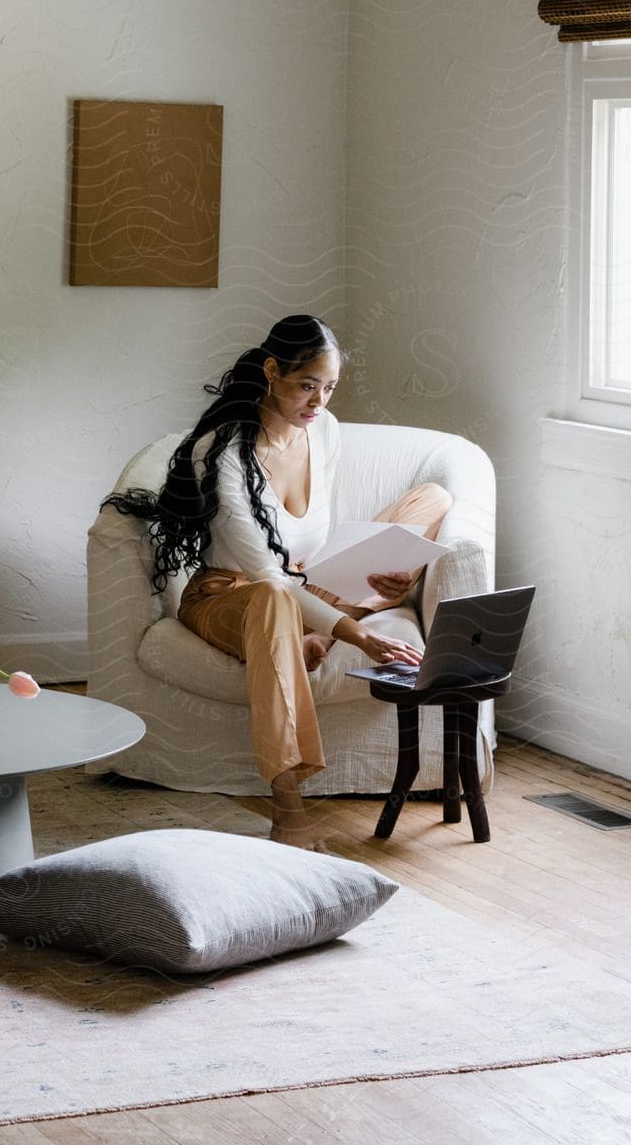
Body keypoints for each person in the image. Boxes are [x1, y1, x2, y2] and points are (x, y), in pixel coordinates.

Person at [101, 314, 453, 850]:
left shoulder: (324, 431)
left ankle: (319, 631)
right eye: (306, 386)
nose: (319, 402)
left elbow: (314, 541)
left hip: (306, 584)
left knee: (432, 499)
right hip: (232, 595)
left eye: (329, 387)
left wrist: (379, 568)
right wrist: (360, 633)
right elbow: (266, 575)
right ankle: (286, 798)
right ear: (271, 371)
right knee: (271, 597)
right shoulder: (221, 451)